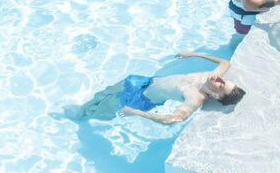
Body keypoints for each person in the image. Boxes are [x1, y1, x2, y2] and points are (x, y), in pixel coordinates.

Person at [63, 52, 245, 123]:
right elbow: (225, 63)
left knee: (103, 110)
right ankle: (81, 109)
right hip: (145, 81)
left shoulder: (195, 98)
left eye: (221, 85)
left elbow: (173, 119)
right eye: (223, 80)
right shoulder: (210, 76)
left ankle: (81, 119)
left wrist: (137, 112)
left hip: (140, 99)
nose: (220, 79)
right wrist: (193, 54)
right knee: (103, 93)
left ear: (217, 96)